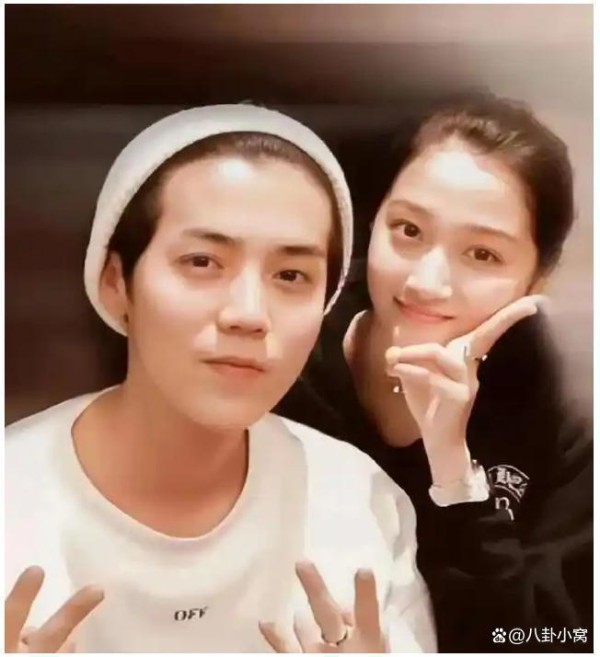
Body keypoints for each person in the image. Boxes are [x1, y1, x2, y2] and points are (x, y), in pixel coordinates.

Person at [5, 105, 436, 653]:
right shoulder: (13, 497)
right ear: (116, 281)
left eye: (291, 275)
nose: (248, 314)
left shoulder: (358, 501)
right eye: (202, 262)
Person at [276, 93, 593, 652]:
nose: (426, 281)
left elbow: (548, 640)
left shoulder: (565, 415)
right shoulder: (285, 353)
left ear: (538, 276)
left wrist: (455, 475)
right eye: (408, 230)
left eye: (482, 255)